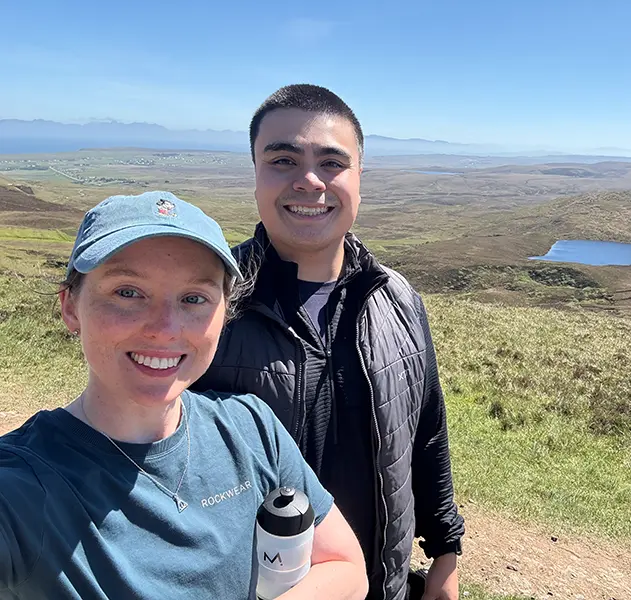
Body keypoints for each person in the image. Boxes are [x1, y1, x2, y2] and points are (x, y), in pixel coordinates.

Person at [0, 191, 368, 600]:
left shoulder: (250, 427)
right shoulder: (23, 487)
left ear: (224, 314)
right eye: (127, 292)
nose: (164, 328)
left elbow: (345, 565)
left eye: (194, 298)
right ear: (71, 306)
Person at [192, 85, 465, 600]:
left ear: (360, 178)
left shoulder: (396, 299)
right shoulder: (205, 305)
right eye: (283, 159)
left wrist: (445, 560)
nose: (309, 181)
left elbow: (427, 436)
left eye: (332, 162)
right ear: (255, 174)